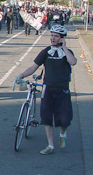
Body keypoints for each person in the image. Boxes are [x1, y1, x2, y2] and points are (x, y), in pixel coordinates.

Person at [14, 24, 77, 155]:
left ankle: (62, 134)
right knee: (47, 117)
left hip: (63, 89)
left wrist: (64, 47)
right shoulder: (46, 52)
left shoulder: (67, 52)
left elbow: (73, 62)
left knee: (65, 119)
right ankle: (50, 145)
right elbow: (33, 67)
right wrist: (21, 75)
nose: (53, 38)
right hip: (47, 88)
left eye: (56, 36)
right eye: (52, 36)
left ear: (61, 38)